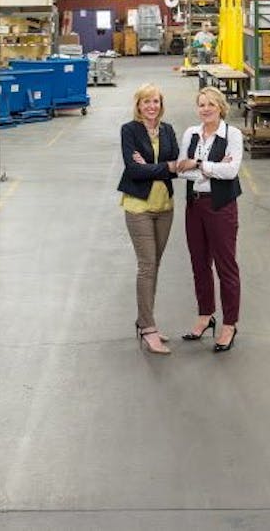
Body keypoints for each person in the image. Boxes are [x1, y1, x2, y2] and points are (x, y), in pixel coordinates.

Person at [118, 83, 186, 356]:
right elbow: (133, 170)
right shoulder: (129, 130)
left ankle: (145, 319)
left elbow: (177, 166)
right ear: (138, 105)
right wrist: (163, 167)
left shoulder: (167, 129)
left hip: (164, 207)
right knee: (147, 266)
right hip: (138, 207)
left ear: (161, 104)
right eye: (146, 102)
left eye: (155, 101)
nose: (151, 106)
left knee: (155, 264)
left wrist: (155, 167)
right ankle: (147, 327)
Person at [177, 85, 243, 353]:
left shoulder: (232, 135)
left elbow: (231, 172)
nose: (205, 109)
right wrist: (209, 170)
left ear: (220, 107)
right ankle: (205, 315)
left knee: (226, 266)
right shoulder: (191, 134)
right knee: (199, 263)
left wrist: (200, 165)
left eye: (210, 104)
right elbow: (181, 170)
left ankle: (229, 324)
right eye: (201, 104)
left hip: (221, 207)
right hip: (194, 206)